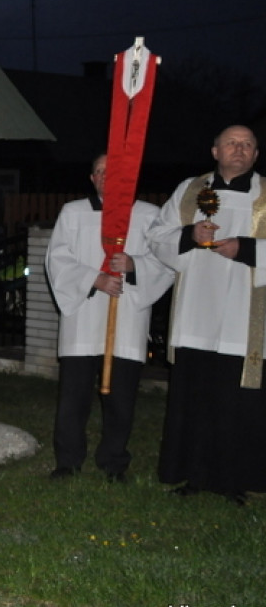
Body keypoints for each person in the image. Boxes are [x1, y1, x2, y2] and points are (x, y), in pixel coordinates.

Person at [148, 124, 266, 504]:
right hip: (196, 314)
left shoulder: (265, 195)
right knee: (197, 398)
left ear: (256, 155)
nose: (240, 149)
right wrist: (189, 236)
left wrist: (247, 250)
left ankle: (234, 481)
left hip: (242, 319)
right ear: (215, 151)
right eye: (232, 143)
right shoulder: (190, 190)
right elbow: (156, 236)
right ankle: (194, 475)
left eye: (248, 144)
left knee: (237, 404)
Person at [45, 154, 173, 482]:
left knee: (120, 400)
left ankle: (114, 462)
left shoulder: (148, 216)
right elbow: (57, 258)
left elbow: (164, 260)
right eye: (99, 171)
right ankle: (68, 461)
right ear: (92, 178)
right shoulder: (73, 213)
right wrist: (95, 279)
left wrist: (133, 266)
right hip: (82, 319)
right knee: (73, 400)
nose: (105, 176)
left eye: (112, 171)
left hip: (126, 318)